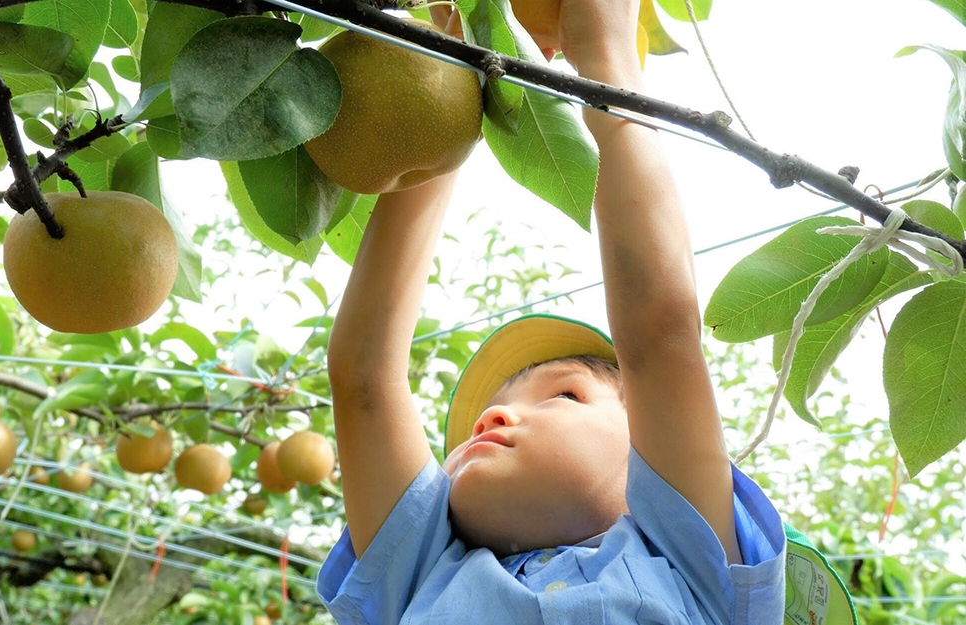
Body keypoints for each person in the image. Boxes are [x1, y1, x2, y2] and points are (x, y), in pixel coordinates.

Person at [316, 1, 851, 623]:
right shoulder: (421, 571)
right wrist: (447, 83)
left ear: (646, 444)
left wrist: (608, 57)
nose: (492, 416)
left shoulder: (693, 566)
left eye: (564, 395)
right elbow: (364, 378)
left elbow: (659, 337)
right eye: (484, 419)